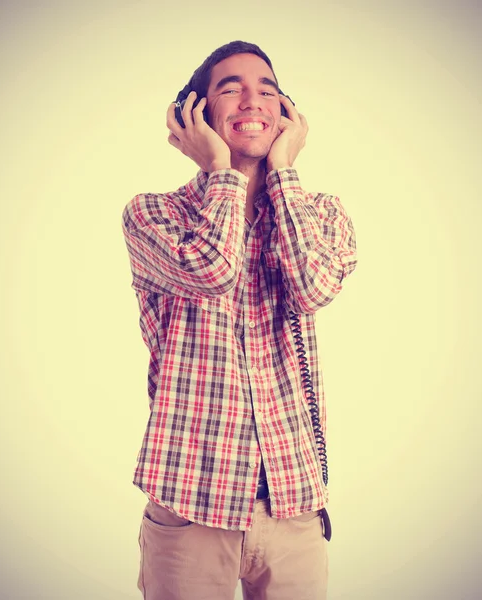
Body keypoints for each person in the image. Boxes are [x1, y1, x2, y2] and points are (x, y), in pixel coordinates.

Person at [122, 40, 358, 600]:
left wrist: (282, 171)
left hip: (294, 504)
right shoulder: (153, 214)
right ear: (195, 115)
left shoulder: (322, 212)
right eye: (230, 88)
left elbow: (313, 286)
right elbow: (213, 271)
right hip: (191, 504)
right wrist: (222, 170)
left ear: (287, 115)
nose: (253, 99)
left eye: (268, 90)